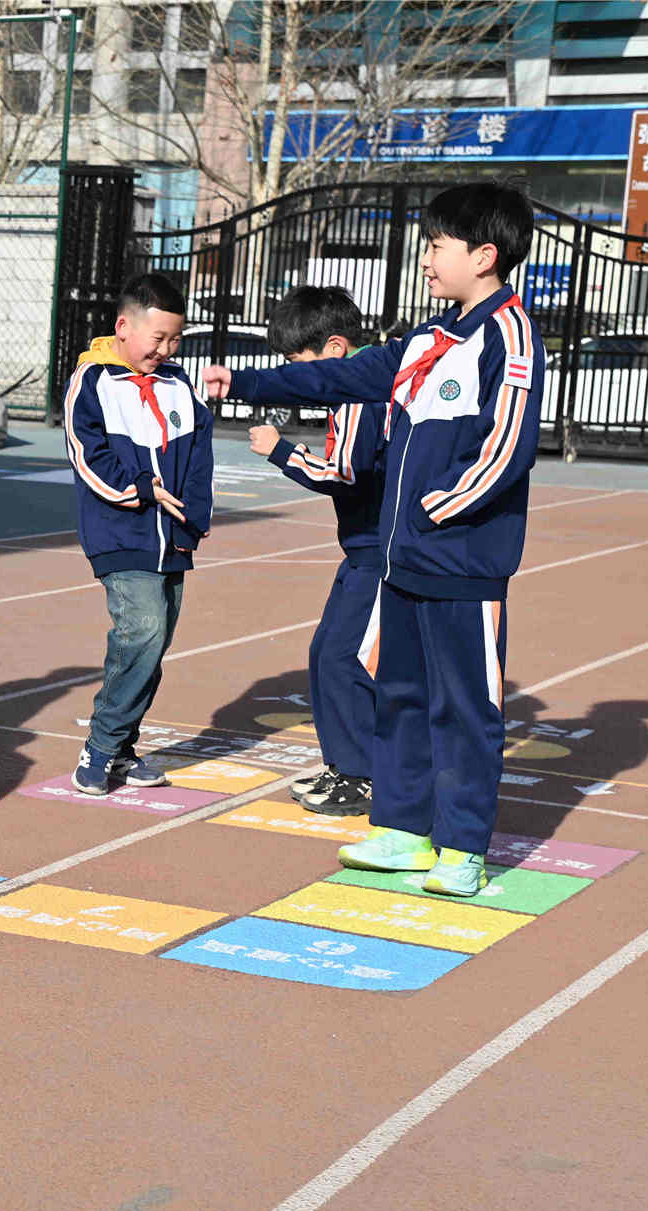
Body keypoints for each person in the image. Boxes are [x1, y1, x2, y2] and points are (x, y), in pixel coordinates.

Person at [204, 182, 543, 898]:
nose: (425, 259)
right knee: (401, 698)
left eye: (436, 246)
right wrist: (245, 380)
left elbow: (508, 445)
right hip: (400, 563)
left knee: (466, 707)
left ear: (484, 256)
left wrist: (437, 508)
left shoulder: (508, 335)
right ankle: (401, 829)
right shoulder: (425, 339)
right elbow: (339, 375)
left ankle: (461, 846)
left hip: (460, 563)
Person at [62, 272, 216, 796]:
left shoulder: (180, 385)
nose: (166, 349)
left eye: (175, 339)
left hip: (171, 538)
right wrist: (140, 488)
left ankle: (122, 747)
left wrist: (193, 518)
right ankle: (101, 746)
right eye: (158, 339)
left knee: (153, 644)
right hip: (120, 530)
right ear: (124, 327)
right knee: (143, 631)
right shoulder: (92, 381)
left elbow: (199, 456)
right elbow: (87, 455)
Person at [244, 285, 387, 818]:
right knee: (327, 652)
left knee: (343, 657)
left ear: (333, 350)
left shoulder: (357, 393)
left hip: (381, 552)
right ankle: (347, 767)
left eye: (297, 365)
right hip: (362, 549)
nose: (294, 378)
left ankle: (365, 774)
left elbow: (344, 475)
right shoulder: (354, 390)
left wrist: (282, 451)